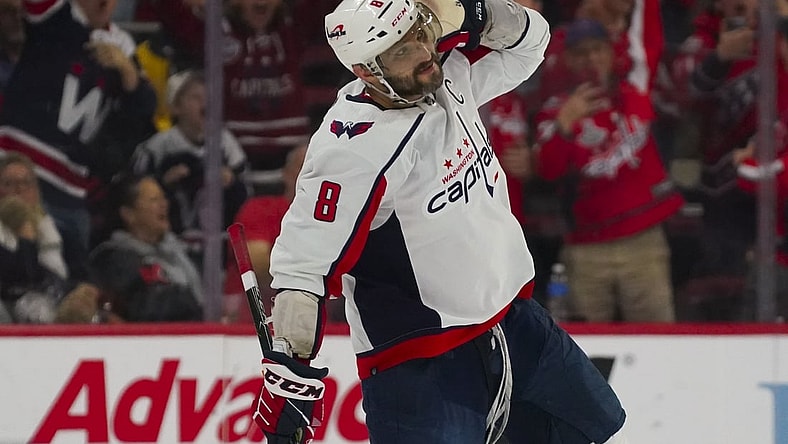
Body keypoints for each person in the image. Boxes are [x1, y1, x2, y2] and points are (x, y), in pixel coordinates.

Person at [245, 1, 629, 443]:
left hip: (511, 322)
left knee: (591, 425)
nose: (423, 52)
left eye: (418, 33)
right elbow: (302, 265)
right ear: (368, 71)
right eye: (401, 50)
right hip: (423, 361)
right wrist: (291, 375)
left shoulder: (447, 72)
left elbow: (530, 44)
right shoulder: (350, 150)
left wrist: (474, 12)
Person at [533, 18, 683, 322]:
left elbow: (649, 38)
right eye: (581, 53)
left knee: (656, 340)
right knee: (585, 349)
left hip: (643, 241)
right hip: (587, 249)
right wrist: (565, 123)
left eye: (598, 50)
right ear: (568, 60)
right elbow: (548, 171)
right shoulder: (554, 110)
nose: (591, 59)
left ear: (612, 53)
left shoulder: (634, 90)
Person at [0, 0, 157, 280]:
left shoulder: (122, 44)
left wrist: (127, 71)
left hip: (71, 192)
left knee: (70, 284)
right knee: (16, 268)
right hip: (21, 173)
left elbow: (143, 108)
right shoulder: (57, 17)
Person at [131, 69, 248, 254]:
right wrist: (164, 184)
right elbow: (135, 194)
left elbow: (246, 194)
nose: (205, 103)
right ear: (176, 107)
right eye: (196, 97)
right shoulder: (157, 147)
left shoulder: (226, 142)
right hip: (169, 246)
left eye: (209, 97)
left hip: (220, 246)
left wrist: (232, 182)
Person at [87, 174, 203, 322]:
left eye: (163, 198)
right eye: (154, 200)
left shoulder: (180, 252)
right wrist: (189, 300)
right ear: (128, 214)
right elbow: (145, 307)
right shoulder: (115, 260)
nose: (164, 204)